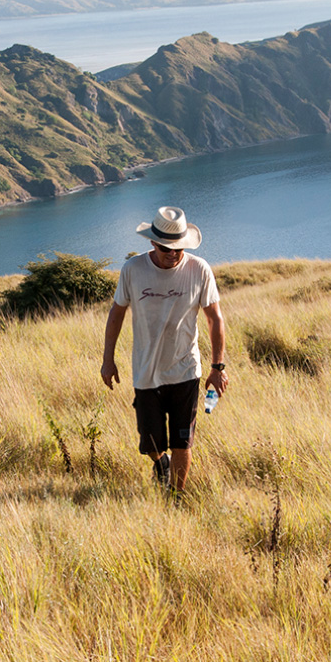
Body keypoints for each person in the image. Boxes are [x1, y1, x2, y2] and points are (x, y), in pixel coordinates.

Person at [101, 205, 228, 493]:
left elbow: (214, 319)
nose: (173, 253)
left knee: (183, 441)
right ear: (152, 242)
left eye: (178, 248)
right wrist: (108, 360)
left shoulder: (199, 270)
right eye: (165, 248)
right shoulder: (133, 270)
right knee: (152, 443)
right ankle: (161, 463)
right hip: (146, 373)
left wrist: (217, 367)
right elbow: (116, 313)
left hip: (186, 371)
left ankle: (177, 494)